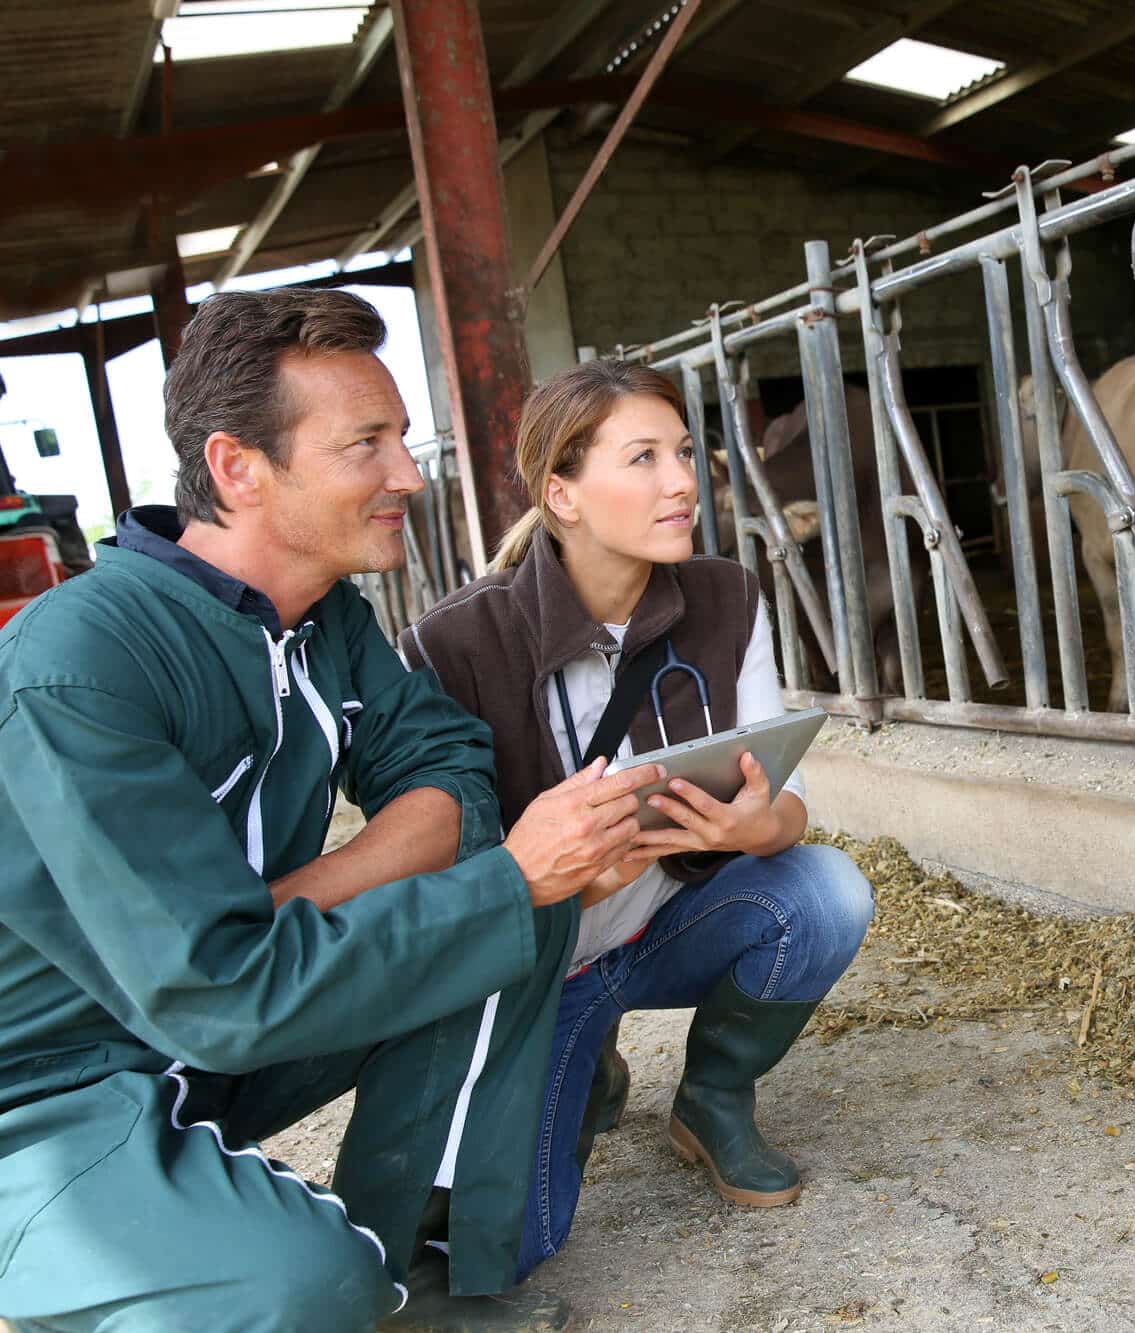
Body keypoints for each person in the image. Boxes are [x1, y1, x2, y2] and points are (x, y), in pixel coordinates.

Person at [0, 289, 665, 1331]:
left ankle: (413, 1256)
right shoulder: (78, 666)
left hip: (216, 1018)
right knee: (298, 1290)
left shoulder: (322, 619)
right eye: (368, 443)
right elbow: (217, 995)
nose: (408, 472)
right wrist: (471, 881)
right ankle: (100, 1255)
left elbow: (452, 772)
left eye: (400, 437)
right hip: (48, 1085)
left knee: (515, 902)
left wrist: (297, 899)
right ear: (237, 468)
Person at [398, 359, 873, 1280]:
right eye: (644, 457)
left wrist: (752, 829)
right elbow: (438, 885)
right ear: (561, 495)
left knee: (825, 892)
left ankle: (713, 1097)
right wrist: (563, 880)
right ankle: (585, 1062)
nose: (683, 480)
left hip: (667, 921)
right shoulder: (449, 646)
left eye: (685, 453)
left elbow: (788, 804)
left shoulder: (726, 596)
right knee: (497, 1252)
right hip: (540, 966)